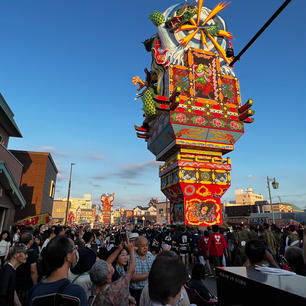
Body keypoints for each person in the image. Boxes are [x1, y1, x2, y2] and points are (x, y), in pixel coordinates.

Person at [28, 235, 87, 306]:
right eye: (74, 248)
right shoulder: (77, 293)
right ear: (68, 256)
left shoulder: (34, 291)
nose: (76, 252)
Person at [90, 241, 135, 306]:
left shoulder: (94, 287)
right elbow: (131, 271)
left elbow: (107, 262)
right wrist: (131, 251)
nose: (110, 265)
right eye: (109, 267)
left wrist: (119, 249)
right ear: (108, 278)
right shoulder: (116, 287)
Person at [130, 236, 155, 304]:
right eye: (142, 246)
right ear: (136, 246)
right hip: (136, 292)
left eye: (146, 245)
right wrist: (150, 273)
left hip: (150, 291)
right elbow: (132, 277)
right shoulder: (132, 257)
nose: (145, 248)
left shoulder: (150, 255)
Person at [16, 232, 39, 306]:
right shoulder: (32, 252)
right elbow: (33, 271)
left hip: (15, 281)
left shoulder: (15, 249)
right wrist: (36, 285)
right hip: (27, 283)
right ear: (30, 241)